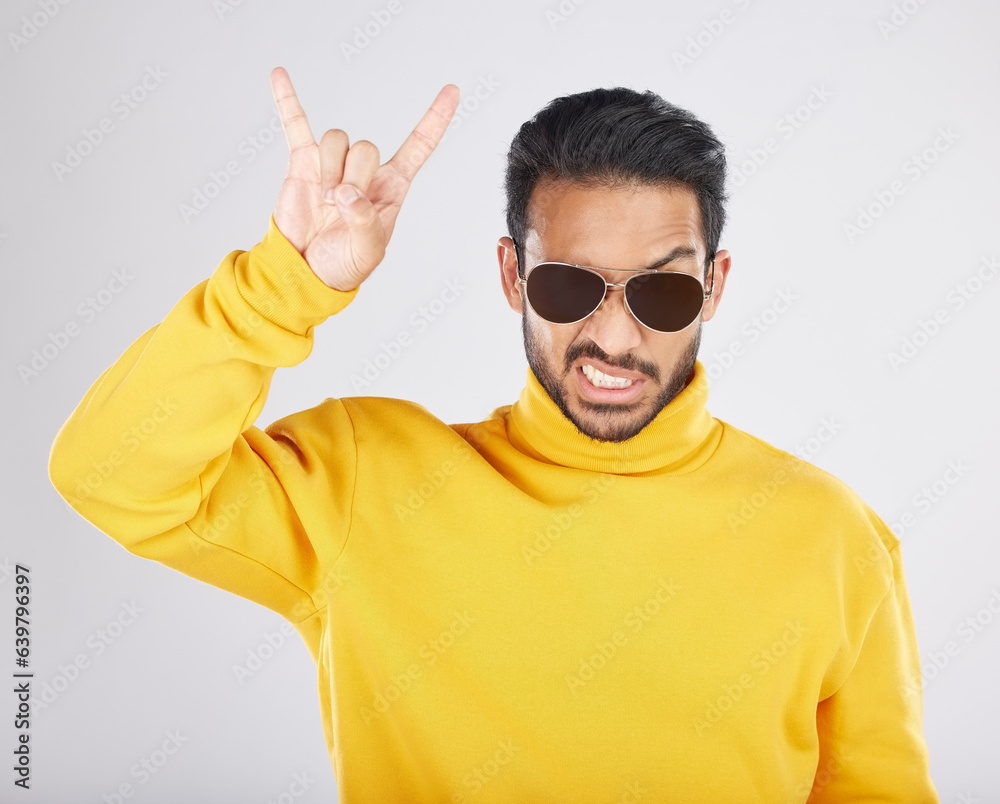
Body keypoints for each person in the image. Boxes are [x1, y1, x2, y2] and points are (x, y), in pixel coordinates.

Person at [48, 66, 939, 802]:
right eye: (570, 287)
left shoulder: (831, 536)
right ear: (513, 274)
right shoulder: (367, 482)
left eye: (663, 291)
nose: (617, 337)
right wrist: (284, 285)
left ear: (714, 287)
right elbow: (110, 474)